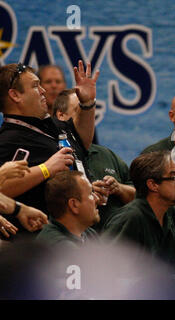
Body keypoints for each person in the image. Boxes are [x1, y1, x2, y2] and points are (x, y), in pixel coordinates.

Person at [0, 61, 99, 239]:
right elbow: (2, 188)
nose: (43, 91)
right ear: (15, 95)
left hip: (73, 236)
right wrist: (46, 169)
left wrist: (87, 104)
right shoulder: (8, 141)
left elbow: (81, 140)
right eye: (36, 86)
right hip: (36, 242)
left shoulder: (50, 125)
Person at [52, 89, 135, 231]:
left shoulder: (106, 154)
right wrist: (86, 193)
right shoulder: (52, 156)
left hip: (119, 239)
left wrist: (118, 189)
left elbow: (140, 198)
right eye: (81, 110)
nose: (88, 116)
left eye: (90, 111)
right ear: (61, 115)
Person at [36, 171, 99, 248]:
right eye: (90, 194)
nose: (97, 199)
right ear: (74, 205)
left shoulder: (90, 234)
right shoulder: (59, 246)